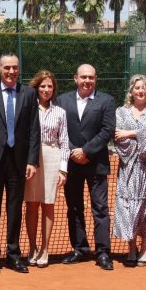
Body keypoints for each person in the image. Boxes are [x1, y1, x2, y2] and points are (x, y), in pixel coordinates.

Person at [0, 54, 40, 274]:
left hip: (19, 162)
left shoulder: (29, 94)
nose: (11, 72)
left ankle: (13, 255)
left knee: (15, 210)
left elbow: (34, 130)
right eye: (7, 68)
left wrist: (32, 161)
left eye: (15, 68)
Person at [56, 64, 116, 270]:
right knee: (73, 208)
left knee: (100, 209)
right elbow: (59, 130)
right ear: (76, 78)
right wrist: (74, 151)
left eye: (91, 77)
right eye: (83, 77)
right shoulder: (62, 100)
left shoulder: (106, 101)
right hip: (71, 164)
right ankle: (80, 249)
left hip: (96, 164)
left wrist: (87, 151)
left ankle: (103, 252)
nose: (87, 81)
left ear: (95, 78)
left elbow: (107, 130)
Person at [113, 74, 146, 267]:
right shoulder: (121, 112)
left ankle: (144, 249)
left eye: (144, 87)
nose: (140, 91)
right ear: (131, 91)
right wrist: (135, 137)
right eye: (137, 88)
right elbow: (117, 136)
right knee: (128, 207)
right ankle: (131, 247)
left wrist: (130, 133)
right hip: (129, 166)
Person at [24, 70, 69, 268]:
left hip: (52, 157)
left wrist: (63, 170)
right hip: (30, 159)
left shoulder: (60, 112)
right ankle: (32, 247)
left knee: (48, 204)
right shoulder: (27, 108)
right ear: (36, 87)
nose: (46, 89)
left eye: (50, 86)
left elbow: (65, 142)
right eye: (43, 86)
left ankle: (45, 248)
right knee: (31, 204)